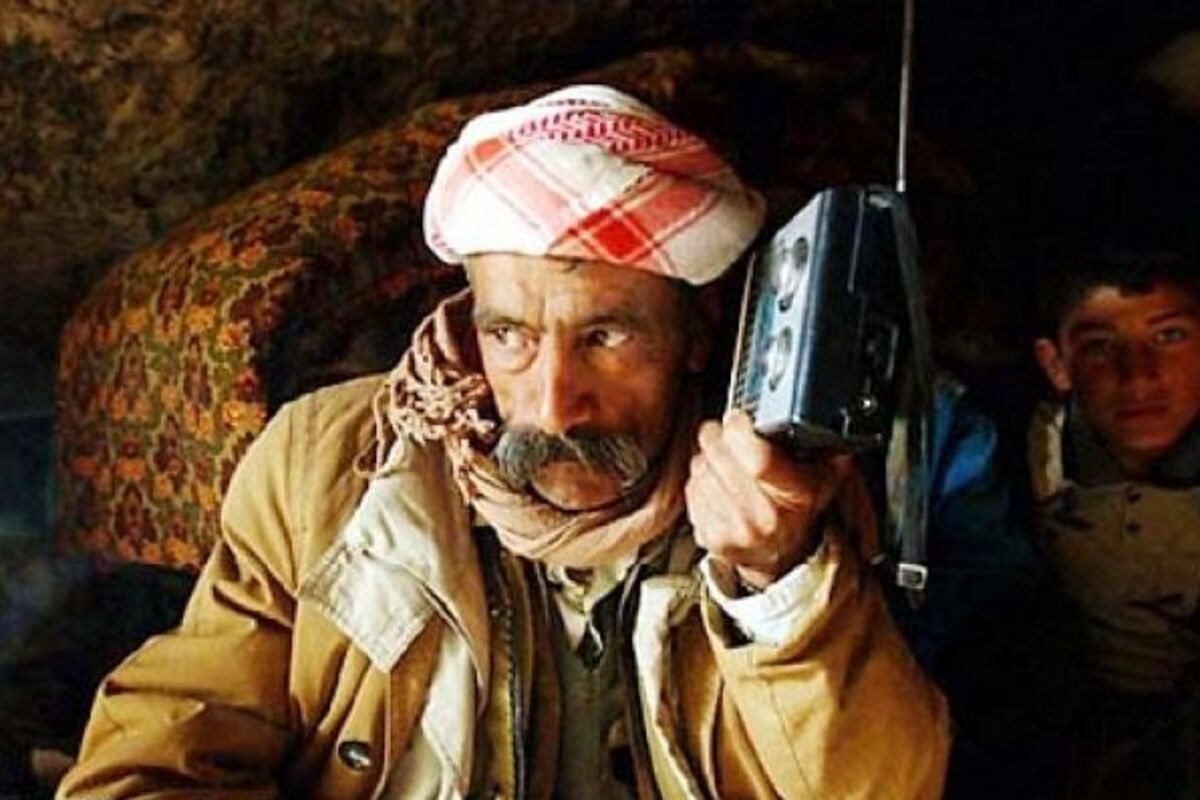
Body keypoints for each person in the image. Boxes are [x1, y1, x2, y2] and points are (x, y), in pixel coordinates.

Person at [59, 85, 950, 799]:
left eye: (607, 336)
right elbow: (148, 765)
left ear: (696, 336)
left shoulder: (776, 486)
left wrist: (780, 583)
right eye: (511, 336)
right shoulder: (324, 462)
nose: (555, 407)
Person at [1030, 238, 1200, 798]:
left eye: (1169, 336)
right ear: (1056, 365)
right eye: (1100, 346)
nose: (1139, 377)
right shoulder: (1028, 449)